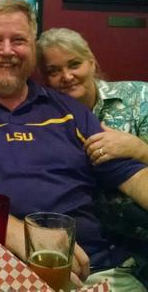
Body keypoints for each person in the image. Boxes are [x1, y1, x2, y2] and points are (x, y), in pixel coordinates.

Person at [0, 0, 148, 291]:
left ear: (32, 47)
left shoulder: (70, 111)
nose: (7, 51)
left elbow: (135, 178)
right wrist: (30, 238)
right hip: (1, 272)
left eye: (18, 40)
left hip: (95, 270)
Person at [36, 27, 148, 248]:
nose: (67, 76)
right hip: (94, 244)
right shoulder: (44, 120)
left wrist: (139, 149)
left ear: (92, 62)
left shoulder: (141, 97)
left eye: (74, 64)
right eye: (54, 71)